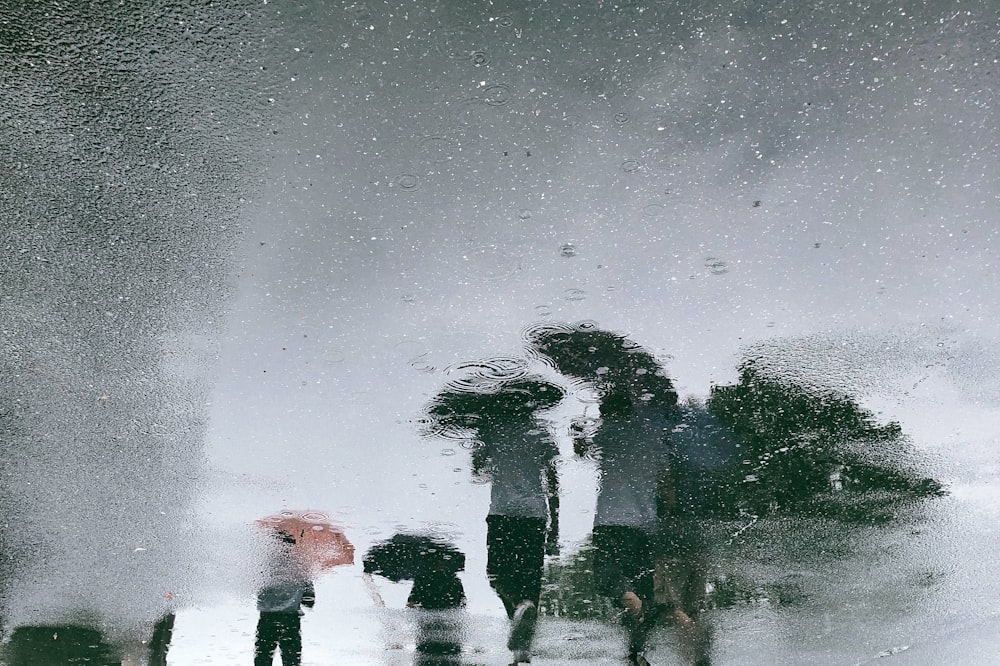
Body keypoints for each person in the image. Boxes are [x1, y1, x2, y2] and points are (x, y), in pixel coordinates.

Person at [425, 373, 564, 666]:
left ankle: (519, 615)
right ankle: (521, 650)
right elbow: (552, 482)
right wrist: (555, 527)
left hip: (502, 512)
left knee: (497, 575)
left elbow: (477, 471)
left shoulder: (491, 430)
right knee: (530, 580)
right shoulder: (541, 433)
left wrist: (482, 444)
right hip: (535, 514)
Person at [254, 531, 315, 666]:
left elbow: (256, 589)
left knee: (263, 658)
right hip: (290, 619)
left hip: (267, 618)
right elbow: (309, 601)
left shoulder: (264, 565)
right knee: (291, 660)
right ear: (292, 546)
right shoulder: (301, 566)